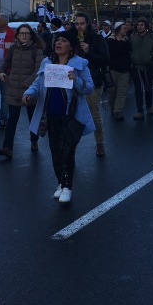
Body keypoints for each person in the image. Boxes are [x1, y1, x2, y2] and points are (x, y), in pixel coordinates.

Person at [22, 31, 95, 203]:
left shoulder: (80, 64)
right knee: (55, 152)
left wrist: (76, 80)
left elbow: (89, 88)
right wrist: (29, 94)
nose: (59, 43)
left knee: (67, 152)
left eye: (64, 41)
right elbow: (37, 84)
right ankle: (60, 183)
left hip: (71, 116)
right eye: (57, 40)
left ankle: (68, 186)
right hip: (51, 115)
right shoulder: (48, 62)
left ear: (71, 46)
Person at [0, 24, 45, 160]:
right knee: (12, 120)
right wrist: (0, 72)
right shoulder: (13, 48)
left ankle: (34, 140)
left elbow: (39, 70)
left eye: (27, 33)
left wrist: (28, 82)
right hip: (13, 89)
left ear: (31, 35)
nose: (24, 35)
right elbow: (6, 63)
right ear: (17, 35)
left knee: (32, 119)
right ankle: (7, 148)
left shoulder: (37, 50)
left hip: (30, 90)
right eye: (21, 33)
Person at [72, 12, 110, 157]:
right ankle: (72, 145)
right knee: (73, 116)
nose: (79, 26)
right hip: (74, 81)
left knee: (94, 115)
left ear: (88, 24)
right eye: (77, 24)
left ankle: (99, 143)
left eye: (82, 23)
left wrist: (90, 51)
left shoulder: (97, 39)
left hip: (93, 81)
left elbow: (105, 60)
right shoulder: (72, 38)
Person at [130, 16, 153, 120]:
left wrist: (152, 57)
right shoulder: (133, 38)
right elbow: (129, 50)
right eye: (138, 25)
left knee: (148, 88)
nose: (139, 27)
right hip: (136, 66)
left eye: (142, 25)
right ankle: (140, 110)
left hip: (148, 66)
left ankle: (149, 106)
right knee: (138, 89)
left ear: (146, 26)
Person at [106, 22, 132, 121]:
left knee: (122, 92)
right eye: (124, 28)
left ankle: (118, 111)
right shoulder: (110, 41)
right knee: (112, 92)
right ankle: (113, 108)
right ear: (118, 30)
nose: (126, 30)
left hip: (124, 70)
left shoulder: (127, 41)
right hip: (113, 70)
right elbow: (112, 53)